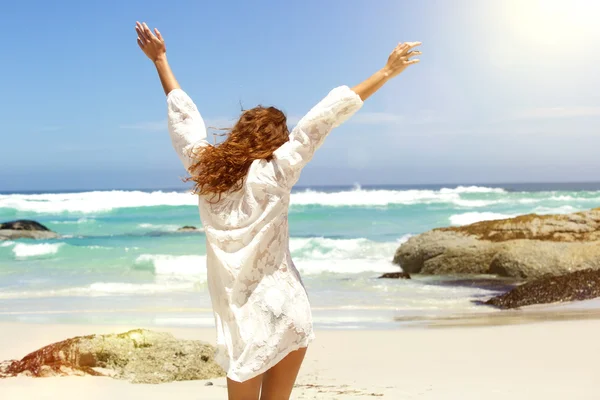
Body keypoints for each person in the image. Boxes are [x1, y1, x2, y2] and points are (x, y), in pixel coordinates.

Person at [135, 21, 421, 400]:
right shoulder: (277, 170)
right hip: (287, 307)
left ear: (238, 133)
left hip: (244, 319)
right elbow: (323, 118)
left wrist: (161, 60)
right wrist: (386, 71)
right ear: (276, 140)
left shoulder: (206, 170)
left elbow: (184, 122)